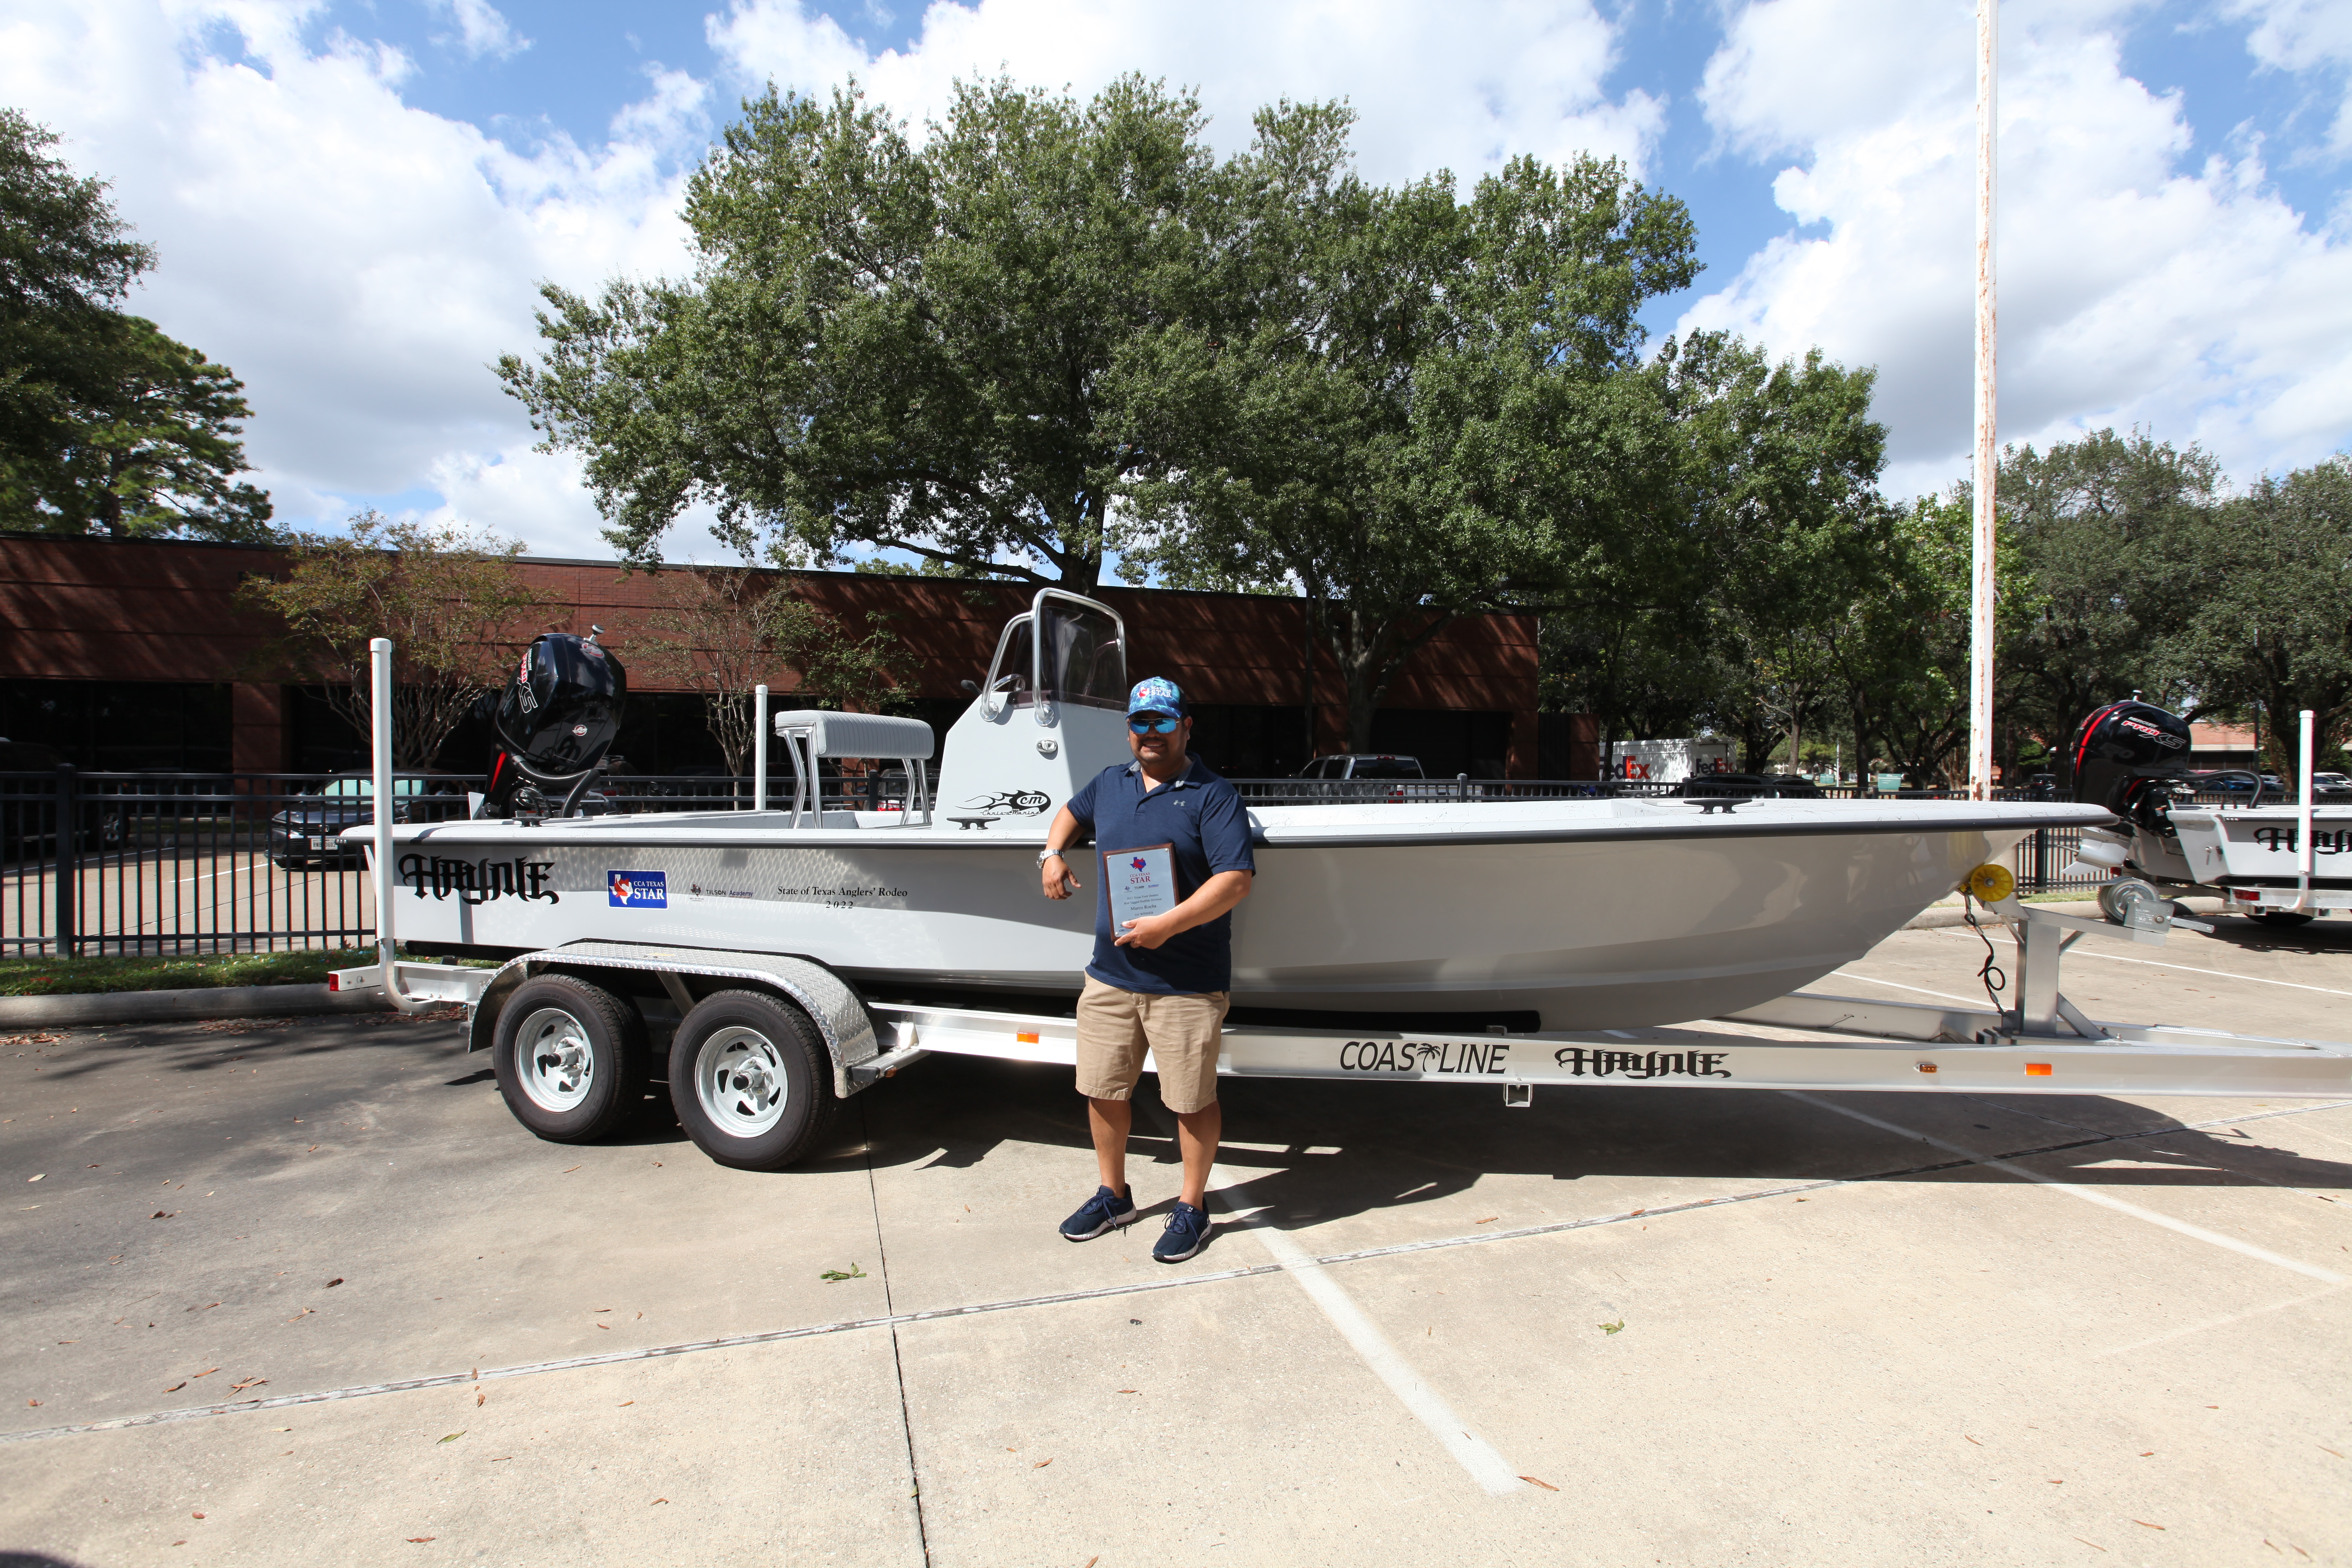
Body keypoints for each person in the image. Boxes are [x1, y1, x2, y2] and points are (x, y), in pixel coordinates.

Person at [1037, 676, 1255, 1263]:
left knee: (1189, 1099)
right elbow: (1069, 814)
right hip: (1110, 975)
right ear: (1129, 729)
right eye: (1141, 722)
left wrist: (1169, 926)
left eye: (1163, 722)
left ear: (1186, 726)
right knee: (1103, 1090)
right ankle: (1114, 1195)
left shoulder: (1214, 795)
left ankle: (1193, 1206)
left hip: (1186, 982)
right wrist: (1052, 853)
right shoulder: (1111, 783)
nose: (1151, 733)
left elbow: (1236, 880)